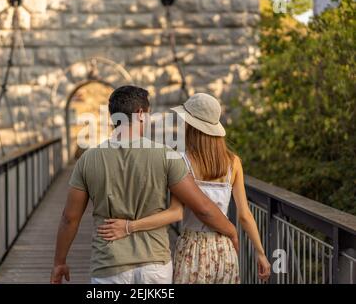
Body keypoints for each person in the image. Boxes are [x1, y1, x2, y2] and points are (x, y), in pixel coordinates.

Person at [50, 86, 238, 284]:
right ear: (140, 114)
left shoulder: (88, 159)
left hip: (109, 265)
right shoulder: (166, 156)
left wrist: (59, 262)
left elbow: (69, 218)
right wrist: (232, 231)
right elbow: (204, 208)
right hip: (154, 266)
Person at [98, 93, 271, 284]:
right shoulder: (233, 163)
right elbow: (245, 214)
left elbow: (176, 212)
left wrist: (129, 227)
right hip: (224, 248)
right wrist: (260, 253)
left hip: (192, 248)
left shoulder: (180, 160)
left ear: (191, 125)